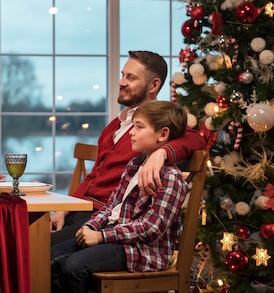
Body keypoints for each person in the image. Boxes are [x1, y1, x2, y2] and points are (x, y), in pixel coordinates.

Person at [51, 101, 190, 293]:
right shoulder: (135, 164)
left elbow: (151, 227)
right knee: (50, 260)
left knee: (72, 268)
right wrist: (91, 225)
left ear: (162, 134)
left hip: (142, 250)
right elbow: (111, 205)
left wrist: (101, 236)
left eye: (139, 127)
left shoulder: (171, 177)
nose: (131, 133)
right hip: (116, 238)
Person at [50, 50, 206, 245]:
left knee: (41, 251)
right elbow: (93, 176)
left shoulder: (154, 129)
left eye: (131, 78)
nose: (121, 82)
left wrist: (161, 154)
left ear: (154, 85)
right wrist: (63, 208)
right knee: (30, 238)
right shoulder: (113, 127)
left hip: (106, 219)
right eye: (123, 75)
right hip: (83, 210)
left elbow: (197, 140)